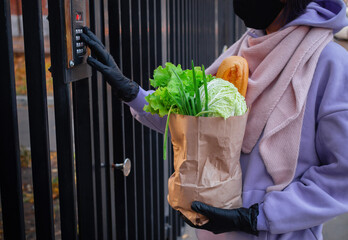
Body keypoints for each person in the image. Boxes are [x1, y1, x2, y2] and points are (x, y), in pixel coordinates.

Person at [80, 0, 348, 238]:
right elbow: (195, 122)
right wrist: (133, 93)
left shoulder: (330, 64)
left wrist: (257, 218)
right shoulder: (242, 49)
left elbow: (341, 176)